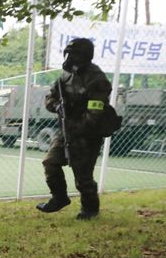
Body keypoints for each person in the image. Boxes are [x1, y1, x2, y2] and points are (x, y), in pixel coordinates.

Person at [37, 38, 112, 220]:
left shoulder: (97, 79)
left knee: (83, 176)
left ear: (84, 57)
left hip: (88, 135)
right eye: (68, 53)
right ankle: (59, 197)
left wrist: (78, 130)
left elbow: (95, 113)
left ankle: (90, 209)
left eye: (74, 54)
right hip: (66, 129)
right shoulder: (65, 76)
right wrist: (56, 106)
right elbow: (51, 97)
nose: (70, 58)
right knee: (51, 163)